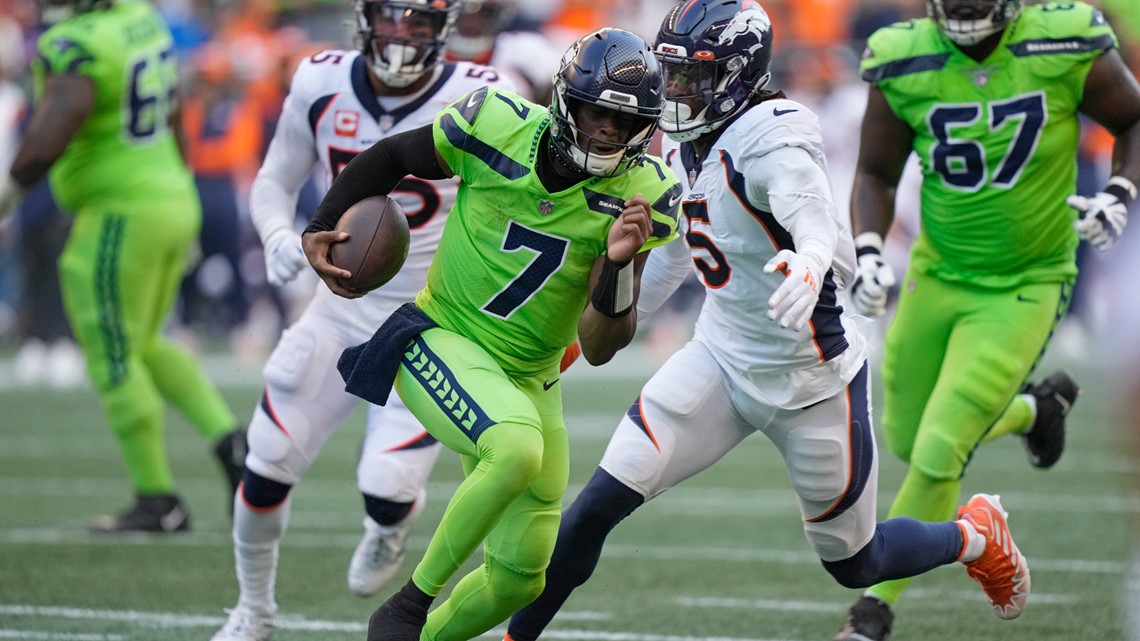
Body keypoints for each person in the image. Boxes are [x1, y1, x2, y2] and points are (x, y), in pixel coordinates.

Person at [505, 3, 1034, 641]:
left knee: (855, 560)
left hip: (812, 383)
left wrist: (812, 260)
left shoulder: (771, 133)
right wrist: (584, 334)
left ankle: (974, 535)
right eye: (671, 74)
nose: (676, 93)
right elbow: (674, 255)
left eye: (693, 77)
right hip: (720, 361)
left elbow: (808, 207)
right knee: (594, 508)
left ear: (739, 73)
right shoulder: (687, 142)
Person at [302, 26, 682, 641]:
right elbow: (394, 157)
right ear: (566, 100)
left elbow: (601, 345)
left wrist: (614, 265)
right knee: (514, 449)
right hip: (442, 336)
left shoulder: (645, 194)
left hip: (532, 377)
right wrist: (320, 223)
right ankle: (405, 609)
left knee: (520, 579)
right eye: (596, 112)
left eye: (623, 121)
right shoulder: (495, 123)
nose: (608, 131)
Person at [209, 0, 520, 638]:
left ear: (444, 30)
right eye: (392, 17)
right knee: (265, 462)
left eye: (420, 22)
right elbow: (273, 178)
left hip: (434, 320)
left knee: (387, 486)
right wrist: (277, 236)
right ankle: (253, 611)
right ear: (364, 19)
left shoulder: (483, 96)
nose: (402, 34)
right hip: (337, 308)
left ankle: (389, 525)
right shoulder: (320, 79)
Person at [834, 1, 1140, 638]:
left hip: (1027, 281)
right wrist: (867, 250)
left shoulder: (1063, 41)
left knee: (942, 449)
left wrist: (1120, 191)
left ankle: (874, 611)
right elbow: (874, 171)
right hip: (937, 274)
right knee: (908, 438)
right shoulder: (904, 55)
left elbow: (1133, 119)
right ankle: (1037, 411)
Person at [0, 0, 245, 533]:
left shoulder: (76, 43)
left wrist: (7, 194)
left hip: (118, 213)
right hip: (170, 196)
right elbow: (177, 108)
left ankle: (157, 499)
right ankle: (235, 446)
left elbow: (50, 136)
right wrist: (179, 192)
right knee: (146, 343)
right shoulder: (140, 16)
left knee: (111, 356)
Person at [444, 0, 559, 102]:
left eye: (485, 13)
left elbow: (552, 103)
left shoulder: (523, 49)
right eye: (461, 14)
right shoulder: (429, 57)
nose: (471, 23)